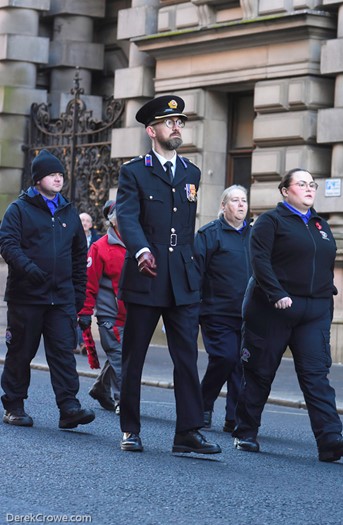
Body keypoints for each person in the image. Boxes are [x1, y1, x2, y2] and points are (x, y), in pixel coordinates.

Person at [116, 95, 221, 455]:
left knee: (186, 358)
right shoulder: (135, 171)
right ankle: (130, 428)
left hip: (183, 277)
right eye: (169, 122)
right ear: (152, 130)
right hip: (147, 274)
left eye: (180, 122)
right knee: (134, 358)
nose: (177, 127)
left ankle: (187, 432)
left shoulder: (190, 171)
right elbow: (126, 217)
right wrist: (141, 249)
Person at [232, 168, 343, 462]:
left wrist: (326, 297)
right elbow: (259, 262)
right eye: (302, 184)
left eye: (312, 184)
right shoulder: (270, 221)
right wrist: (277, 293)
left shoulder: (321, 225)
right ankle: (246, 431)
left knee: (316, 376)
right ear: (285, 190)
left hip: (313, 313)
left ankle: (330, 440)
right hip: (273, 309)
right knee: (260, 373)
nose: (309, 189)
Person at [0, 149, 95, 430]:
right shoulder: (19, 208)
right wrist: (30, 270)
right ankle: (14, 406)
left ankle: (69, 408)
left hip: (61, 298)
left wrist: (78, 294)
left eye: (60, 175)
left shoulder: (68, 211)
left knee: (63, 353)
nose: (58, 178)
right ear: (38, 178)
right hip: (26, 297)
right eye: (52, 174)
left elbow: (80, 255)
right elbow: (7, 244)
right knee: (21, 351)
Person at [194, 185, 251, 432]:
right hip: (216, 312)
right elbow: (195, 273)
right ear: (223, 206)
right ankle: (202, 406)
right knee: (225, 357)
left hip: (248, 314)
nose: (241, 205)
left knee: (241, 364)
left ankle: (234, 418)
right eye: (235, 201)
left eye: (244, 200)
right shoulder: (209, 234)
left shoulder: (255, 234)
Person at [78, 200, 126, 415]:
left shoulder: (139, 244)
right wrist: (85, 313)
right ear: (114, 220)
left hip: (133, 315)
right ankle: (123, 401)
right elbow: (89, 284)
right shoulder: (99, 247)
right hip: (110, 316)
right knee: (120, 356)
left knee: (123, 355)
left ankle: (100, 388)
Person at [76, 212, 101, 354]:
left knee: (85, 313)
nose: (84, 223)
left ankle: (83, 343)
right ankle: (80, 342)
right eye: (82, 220)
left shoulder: (97, 241)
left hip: (91, 280)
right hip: (75, 279)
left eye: (87, 221)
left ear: (91, 225)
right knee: (76, 312)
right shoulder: (72, 237)